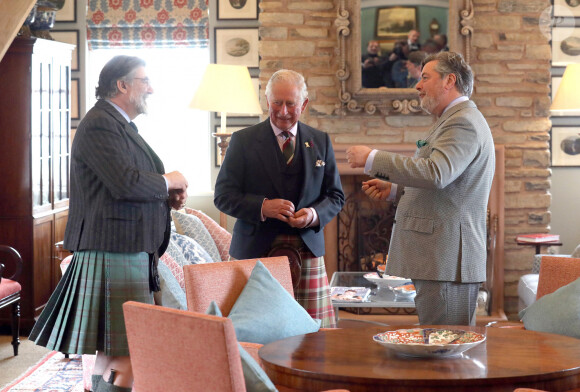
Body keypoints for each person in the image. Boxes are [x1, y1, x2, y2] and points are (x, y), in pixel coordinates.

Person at [29, 56, 189, 392]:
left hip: (126, 248)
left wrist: (166, 194)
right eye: (145, 80)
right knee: (130, 347)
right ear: (122, 84)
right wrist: (168, 180)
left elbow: (125, 185)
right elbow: (126, 183)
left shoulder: (118, 124)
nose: (151, 88)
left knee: (113, 351)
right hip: (116, 248)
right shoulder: (100, 123)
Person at [346, 51, 495, 326]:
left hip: (447, 262)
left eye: (425, 77)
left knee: (444, 352)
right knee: (440, 348)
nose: (417, 85)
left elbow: (438, 173)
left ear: (450, 80)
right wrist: (395, 190)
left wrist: (372, 158)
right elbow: (447, 185)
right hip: (441, 261)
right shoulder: (452, 120)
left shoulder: (462, 123)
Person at [214, 69, 345, 328]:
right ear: (267, 100)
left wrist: (313, 215)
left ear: (304, 104)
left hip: (307, 249)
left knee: (314, 337)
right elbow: (223, 196)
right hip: (254, 251)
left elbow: (335, 196)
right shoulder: (242, 141)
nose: (283, 111)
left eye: (290, 103)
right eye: (277, 102)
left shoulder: (321, 141)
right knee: (255, 332)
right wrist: (263, 206)